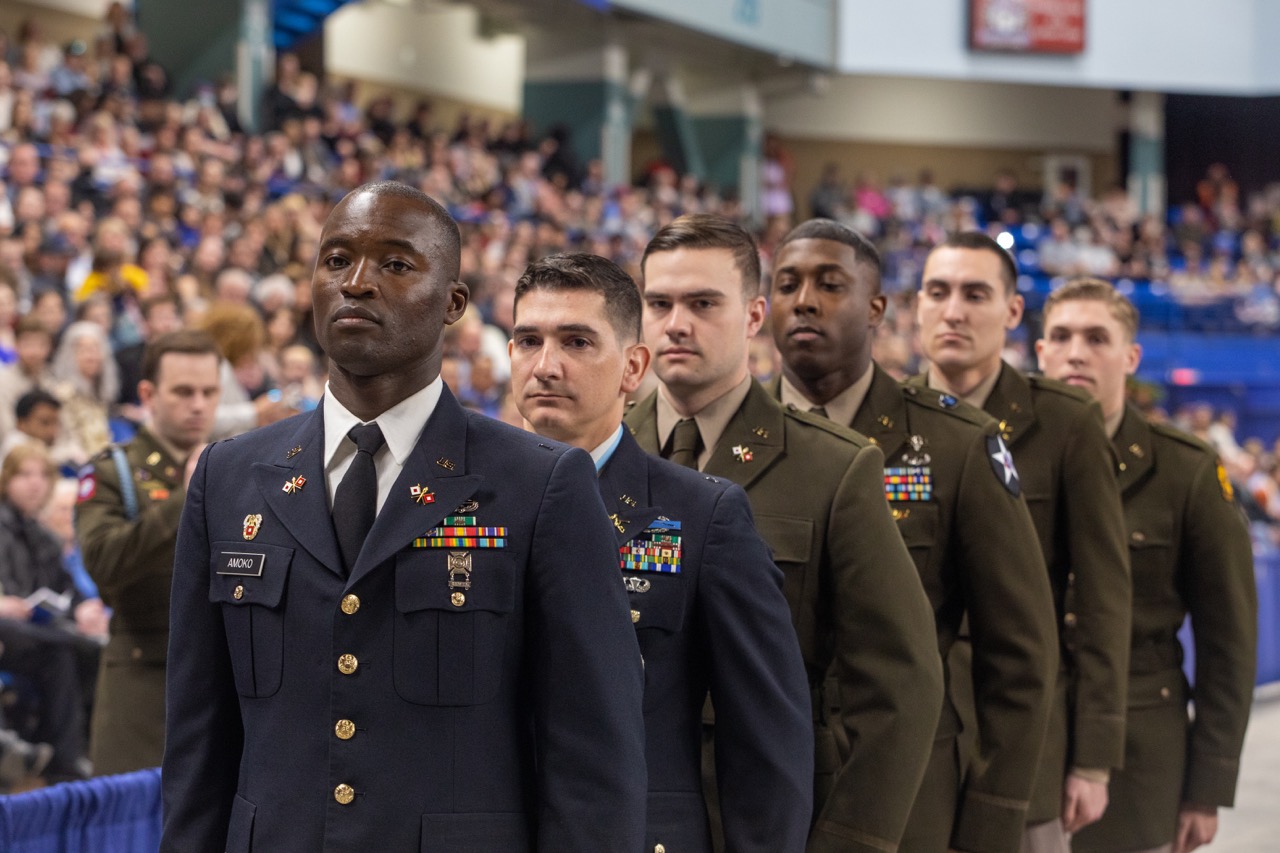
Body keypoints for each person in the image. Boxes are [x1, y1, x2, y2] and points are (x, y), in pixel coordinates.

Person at [161, 181, 646, 852]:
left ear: (453, 303)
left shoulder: (540, 485)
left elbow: (594, 758)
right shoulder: (228, 477)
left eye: (395, 263)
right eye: (336, 260)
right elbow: (197, 742)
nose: (357, 283)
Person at [624, 214, 942, 852]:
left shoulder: (835, 468)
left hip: (765, 823)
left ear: (753, 315)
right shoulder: (595, 455)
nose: (677, 324)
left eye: (703, 303)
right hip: (617, 814)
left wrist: (852, 841)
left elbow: (902, 685)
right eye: (659, 303)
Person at [767, 219, 1057, 853]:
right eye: (788, 284)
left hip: (915, 802)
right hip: (759, 793)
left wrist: (991, 817)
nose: (805, 300)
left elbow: (1020, 656)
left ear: (876, 309)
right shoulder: (727, 441)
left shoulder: (957, 443)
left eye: (830, 284)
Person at [510, 252, 813, 852]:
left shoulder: (702, 516)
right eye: (527, 340)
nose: (546, 365)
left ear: (632, 367)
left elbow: (766, 746)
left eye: (576, 342)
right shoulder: (461, 509)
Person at [913, 233, 1131, 852]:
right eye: (938, 291)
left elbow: (1103, 601)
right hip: (906, 745)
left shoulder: (1065, 423)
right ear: (916, 306)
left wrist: (1093, 759)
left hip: (1022, 748)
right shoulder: (880, 419)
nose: (953, 310)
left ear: (1011, 313)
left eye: (975, 294)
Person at [1034, 278, 1256, 853]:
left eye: (1096, 337)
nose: (1076, 351)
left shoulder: (1185, 471)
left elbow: (1228, 642)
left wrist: (1207, 787)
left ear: (1131, 357)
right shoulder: (1002, 458)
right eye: (1060, 336)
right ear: (1039, 352)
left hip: (1142, 759)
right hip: (1024, 747)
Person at [76, 330, 222, 775]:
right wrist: (186, 496)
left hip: (224, 677)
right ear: (147, 394)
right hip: (143, 678)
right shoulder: (112, 471)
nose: (198, 404)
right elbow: (103, 562)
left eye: (209, 392)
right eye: (183, 392)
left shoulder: (237, 465)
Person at [0, 442, 106, 782]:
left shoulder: (44, 535)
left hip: (37, 629)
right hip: (10, 630)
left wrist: (84, 609)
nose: (35, 484)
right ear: (6, 480)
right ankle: (65, 759)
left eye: (42, 475)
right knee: (60, 648)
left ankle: (76, 751)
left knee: (93, 648)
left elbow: (66, 591)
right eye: (24, 475)